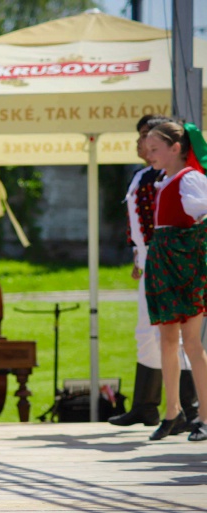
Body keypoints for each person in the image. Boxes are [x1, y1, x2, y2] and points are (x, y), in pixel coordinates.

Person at [109, 115, 198, 428]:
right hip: (150, 259)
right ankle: (147, 405)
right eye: (142, 137)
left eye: (149, 137)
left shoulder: (175, 177)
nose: (143, 144)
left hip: (169, 260)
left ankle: (188, 407)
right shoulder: (143, 176)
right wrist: (138, 255)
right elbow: (140, 221)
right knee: (148, 332)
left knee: (176, 334)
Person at [144, 121, 207, 442]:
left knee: (192, 342)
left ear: (176, 148)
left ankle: (206, 415)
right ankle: (173, 411)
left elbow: (202, 213)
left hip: (184, 267)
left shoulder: (189, 178)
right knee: (167, 340)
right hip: (164, 265)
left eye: (155, 149)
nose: (149, 154)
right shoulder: (165, 180)